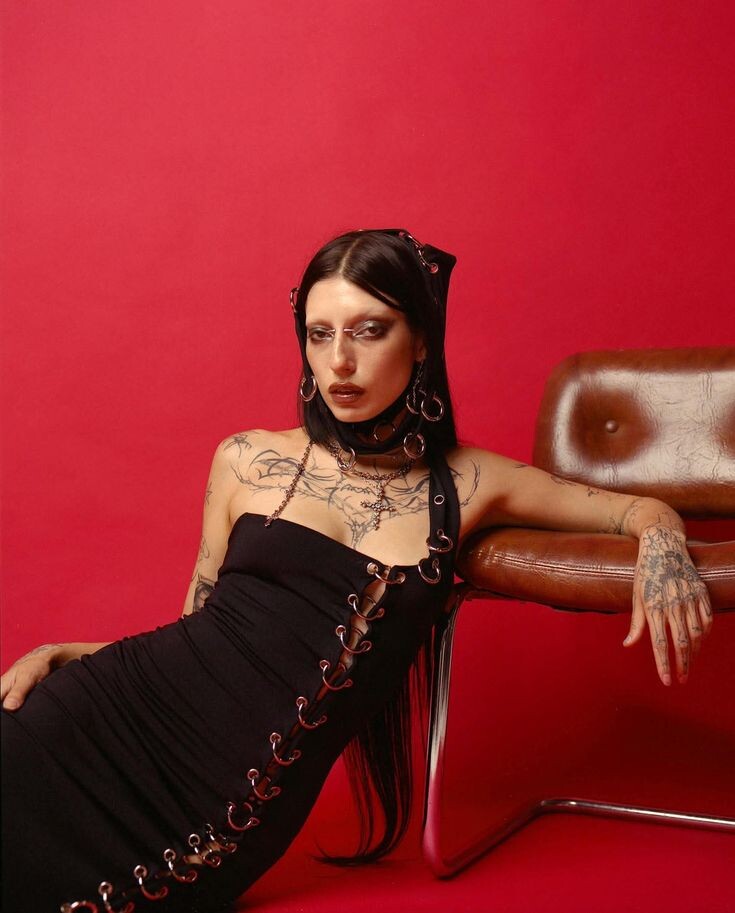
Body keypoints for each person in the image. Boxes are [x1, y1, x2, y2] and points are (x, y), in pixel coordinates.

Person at [1, 228, 713, 913]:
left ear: (421, 340)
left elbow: (637, 509)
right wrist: (70, 654)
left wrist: (661, 543)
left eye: (369, 331)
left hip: (206, 813)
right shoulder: (247, 459)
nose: (339, 360)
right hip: (91, 719)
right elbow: (200, 634)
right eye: (320, 334)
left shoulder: (471, 483)